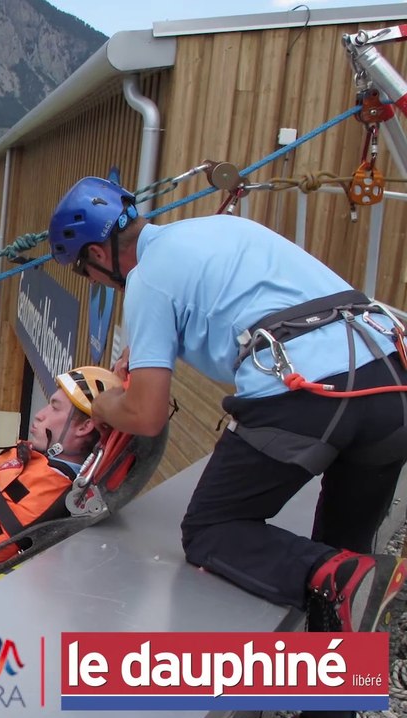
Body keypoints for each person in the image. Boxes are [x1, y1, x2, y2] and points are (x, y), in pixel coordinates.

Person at [50, 176, 407, 633]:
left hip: (308, 393)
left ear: (96, 254)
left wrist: (103, 407)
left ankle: (340, 583)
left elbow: (146, 414)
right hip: (389, 379)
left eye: (85, 271)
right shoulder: (222, 230)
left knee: (211, 529)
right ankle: (340, 654)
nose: (96, 280)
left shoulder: (147, 279)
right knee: (345, 557)